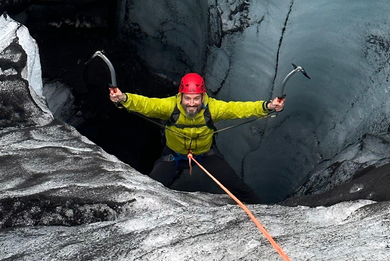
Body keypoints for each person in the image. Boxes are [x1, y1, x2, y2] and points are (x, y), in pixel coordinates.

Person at [109, 73, 284, 203]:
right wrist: (123, 98)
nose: (192, 103)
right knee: (150, 189)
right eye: (188, 98)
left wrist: (267, 106)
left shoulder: (212, 108)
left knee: (237, 186)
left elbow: (240, 109)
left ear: (203, 97)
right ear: (181, 96)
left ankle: (262, 212)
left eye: (196, 99)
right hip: (174, 155)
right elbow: (146, 104)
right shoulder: (170, 106)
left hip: (205, 155)